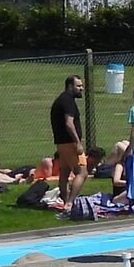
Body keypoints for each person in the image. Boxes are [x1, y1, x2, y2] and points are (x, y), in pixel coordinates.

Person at [50, 74, 87, 202]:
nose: (81, 88)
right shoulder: (67, 101)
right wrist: (77, 142)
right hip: (70, 143)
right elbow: (69, 124)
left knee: (64, 172)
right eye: (78, 86)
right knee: (82, 173)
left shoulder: (61, 100)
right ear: (70, 86)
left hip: (61, 143)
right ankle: (70, 203)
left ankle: (65, 201)